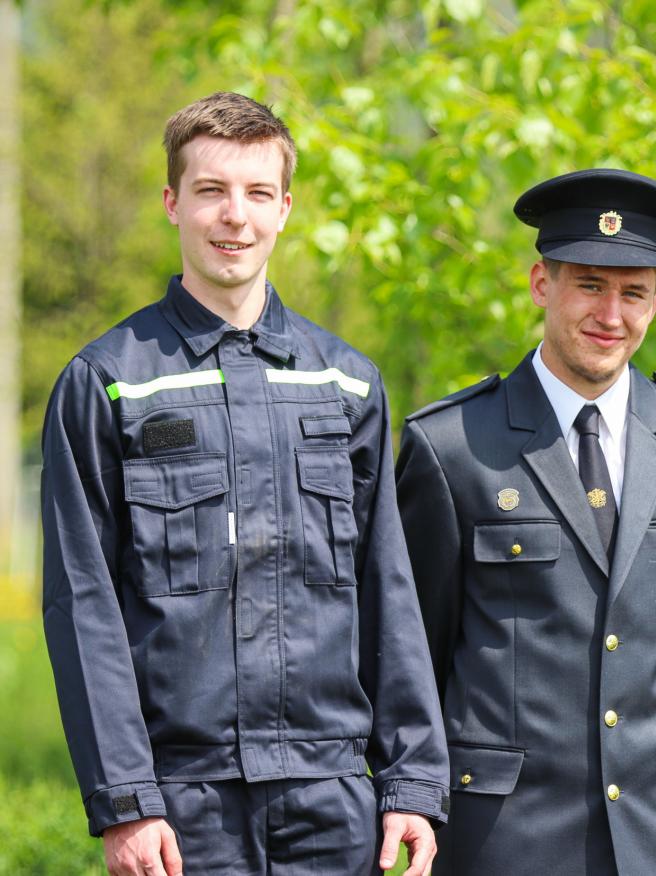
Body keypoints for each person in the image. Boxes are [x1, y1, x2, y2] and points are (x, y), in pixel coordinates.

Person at [41, 92, 449, 876]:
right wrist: (127, 800)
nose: (236, 216)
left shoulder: (346, 384)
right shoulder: (108, 383)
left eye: (258, 192)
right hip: (182, 808)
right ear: (172, 203)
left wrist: (410, 778)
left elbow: (387, 590)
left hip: (332, 796)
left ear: (285, 209)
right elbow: (82, 605)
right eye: (211, 191)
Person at [396, 168, 656, 875]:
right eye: (590, 285)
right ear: (542, 283)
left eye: (633, 293)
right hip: (505, 834)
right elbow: (416, 651)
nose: (610, 315)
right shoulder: (452, 447)